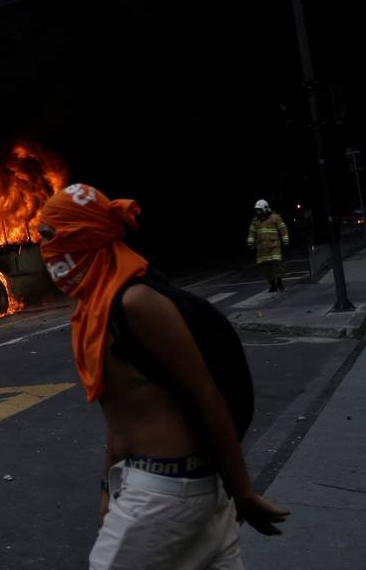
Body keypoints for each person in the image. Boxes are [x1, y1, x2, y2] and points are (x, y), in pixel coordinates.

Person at [37, 183, 288, 570]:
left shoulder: (135, 302)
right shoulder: (97, 310)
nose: (46, 251)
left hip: (166, 495)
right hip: (182, 496)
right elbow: (121, 418)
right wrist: (108, 489)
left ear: (83, 235)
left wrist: (243, 492)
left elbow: (209, 395)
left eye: (50, 236)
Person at [247, 199, 290, 292]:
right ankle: (272, 284)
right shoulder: (255, 220)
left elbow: (283, 229)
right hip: (261, 248)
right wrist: (250, 243)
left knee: (277, 264)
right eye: (257, 210)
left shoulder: (275, 217)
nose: (258, 212)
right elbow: (251, 232)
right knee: (265, 267)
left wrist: (285, 240)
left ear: (265, 209)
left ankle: (279, 282)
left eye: (260, 210)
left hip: (274, 246)